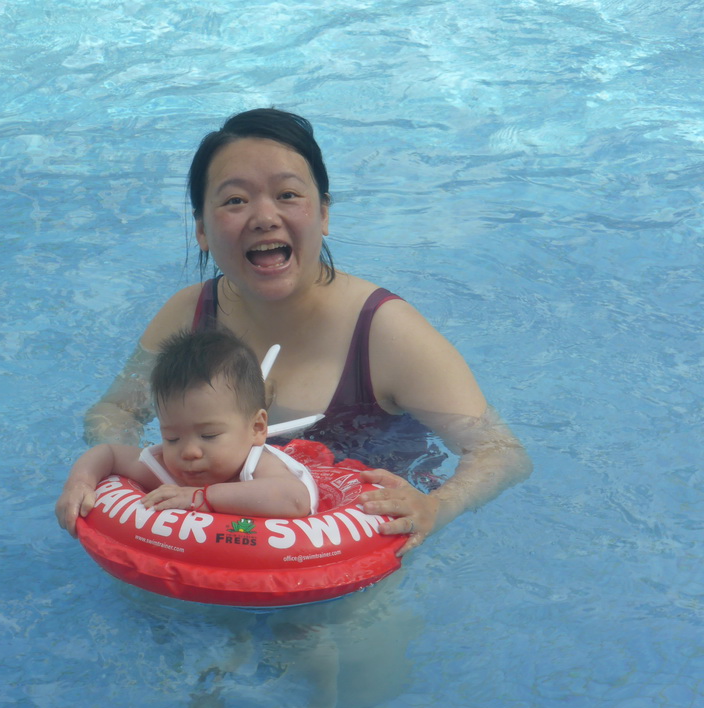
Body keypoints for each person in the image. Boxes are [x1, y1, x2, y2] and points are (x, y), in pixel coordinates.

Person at [81, 107, 532, 553]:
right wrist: (131, 490)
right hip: (207, 543)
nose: (264, 217)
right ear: (201, 229)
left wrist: (437, 508)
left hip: (354, 558)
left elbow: (500, 452)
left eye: (288, 195)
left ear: (324, 215)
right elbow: (117, 411)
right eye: (235, 200)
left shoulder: (386, 333)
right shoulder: (189, 315)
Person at [55, 328, 320, 533]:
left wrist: (200, 497)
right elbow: (108, 453)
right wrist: (79, 483)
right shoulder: (168, 468)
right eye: (172, 437)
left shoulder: (258, 465)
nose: (189, 452)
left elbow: (294, 500)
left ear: (257, 428)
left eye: (209, 436)